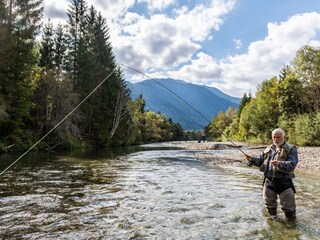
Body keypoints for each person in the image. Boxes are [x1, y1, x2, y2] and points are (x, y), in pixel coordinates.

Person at [245, 128, 298, 221]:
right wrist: (252, 159)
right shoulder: (268, 149)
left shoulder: (291, 149)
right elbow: (261, 162)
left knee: (290, 211)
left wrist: (280, 164)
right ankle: (273, 227)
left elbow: (292, 164)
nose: (276, 139)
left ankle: (291, 229)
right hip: (268, 182)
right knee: (270, 210)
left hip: (284, 183)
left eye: (278, 137)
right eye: (274, 137)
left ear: (284, 137)